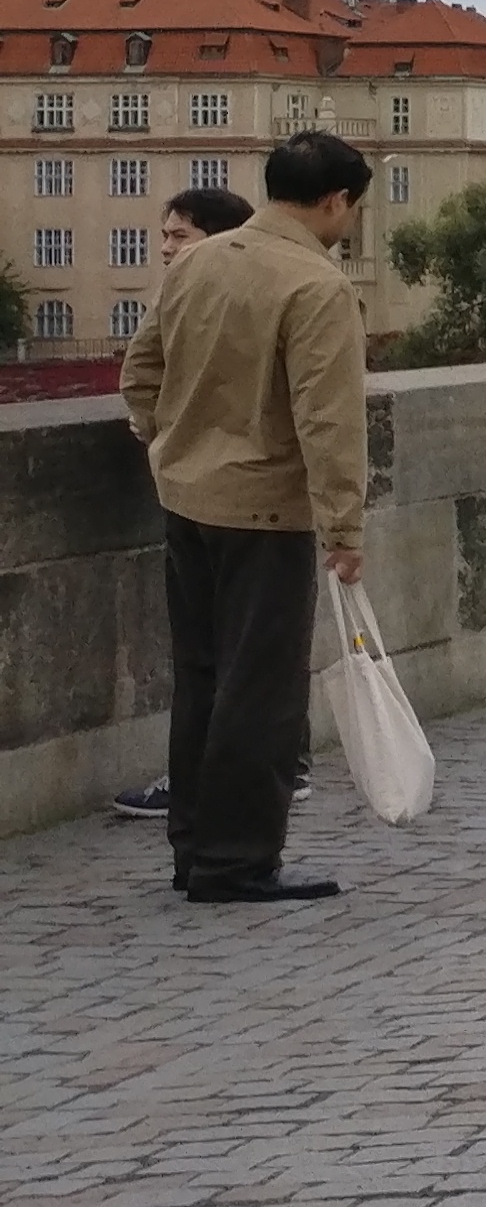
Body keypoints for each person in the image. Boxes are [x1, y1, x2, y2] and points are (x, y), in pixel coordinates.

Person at [112, 131, 368, 902]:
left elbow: (140, 370)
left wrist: (168, 442)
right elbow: (329, 420)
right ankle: (236, 860)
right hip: (265, 511)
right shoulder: (317, 285)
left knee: (200, 679)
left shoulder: (198, 261)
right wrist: (344, 529)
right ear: (336, 202)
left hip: (187, 500)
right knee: (261, 691)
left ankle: (192, 847)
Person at [105, 187, 262, 828]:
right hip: (262, 492)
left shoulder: (180, 294)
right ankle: (271, 774)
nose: (167, 249)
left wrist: (159, 433)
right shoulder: (273, 288)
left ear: (219, 239)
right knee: (257, 647)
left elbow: (138, 374)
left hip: (198, 493)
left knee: (208, 654)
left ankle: (201, 796)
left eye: (179, 236)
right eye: (164, 236)